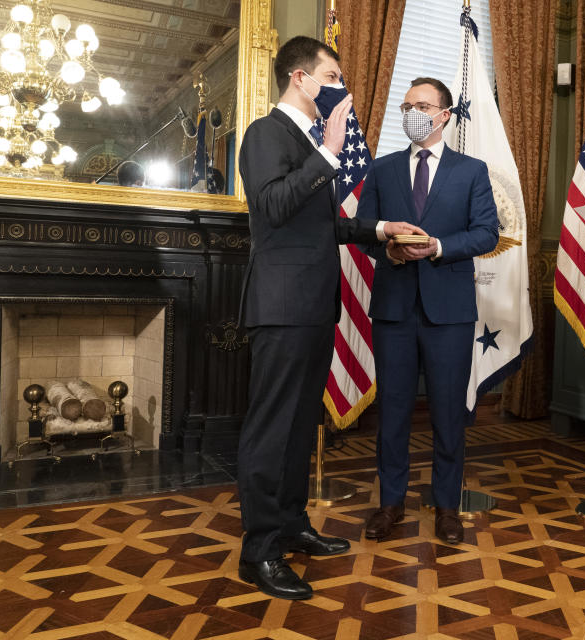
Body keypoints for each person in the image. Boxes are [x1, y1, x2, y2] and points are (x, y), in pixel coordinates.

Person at [236, 36, 424, 601]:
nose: (341, 84)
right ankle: (260, 551)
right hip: (282, 306)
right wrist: (330, 151)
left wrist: (379, 229)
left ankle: (290, 526)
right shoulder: (265, 133)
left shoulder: (305, 139)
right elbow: (271, 206)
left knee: (299, 428)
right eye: (332, 74)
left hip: (315, 306)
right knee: (272, 430)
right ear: (301, 77)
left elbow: (320, 226)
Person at [357, 77, 499, 545]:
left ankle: (446, 507)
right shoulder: (382, 169)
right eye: (406, 105)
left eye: (422, 105)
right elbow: (365, 232)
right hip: (395, 309)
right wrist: (392, 252)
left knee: (447, 414)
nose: (412, 112)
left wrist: (437, 246)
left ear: (444, 114)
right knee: (393, 411)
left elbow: (486, 234)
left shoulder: (471, 171)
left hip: (449, 312)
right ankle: (390, 504)